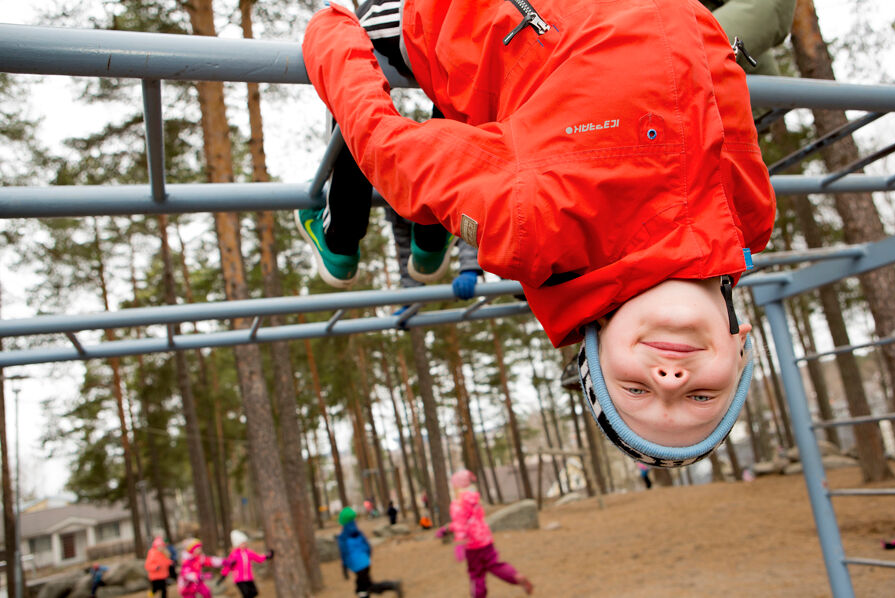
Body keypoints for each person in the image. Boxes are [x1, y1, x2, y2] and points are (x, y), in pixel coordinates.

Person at [300, 0, 776, 466]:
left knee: (372, 35)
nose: (670, 381)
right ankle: (420, 237)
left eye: (635, 390)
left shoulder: (536, 230)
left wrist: (330, 30)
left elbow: (386, 147)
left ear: (596, 342)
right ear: (740, 345)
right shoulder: (749, 218)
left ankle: (363, 240)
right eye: (701, 396)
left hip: (480, 22)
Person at [448, 470, 533, 597]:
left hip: (472, 546)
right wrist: (448, 528)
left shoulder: (457, 503)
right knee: (495, 565)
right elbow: (475, 520)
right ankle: (516, 577)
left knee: (476, 575)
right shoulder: (474, 498)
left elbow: (461, 524)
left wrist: (459, 543)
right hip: (486, 540)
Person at [337, 507, 404, 597]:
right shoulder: (358, 532)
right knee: (364, 586)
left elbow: (344, 553)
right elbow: (367, 547)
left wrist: (344, 568)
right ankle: (392, 585)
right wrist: (366, 557)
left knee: (364, 587)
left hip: (358, 566)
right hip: (365, 562)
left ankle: (392, 585)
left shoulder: (343, 537)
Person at [219, 530, 273, 598]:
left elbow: (258, 558)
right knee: (246, 594)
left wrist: (267, 556)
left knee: (254, 592)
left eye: (245, 543)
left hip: (249, 577)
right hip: (239, 579)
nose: (244, 545)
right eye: (242, 543)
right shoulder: (234, 554)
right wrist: (223, 576)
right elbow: (228, 566)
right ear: (237, 544)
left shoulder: (249, 552)